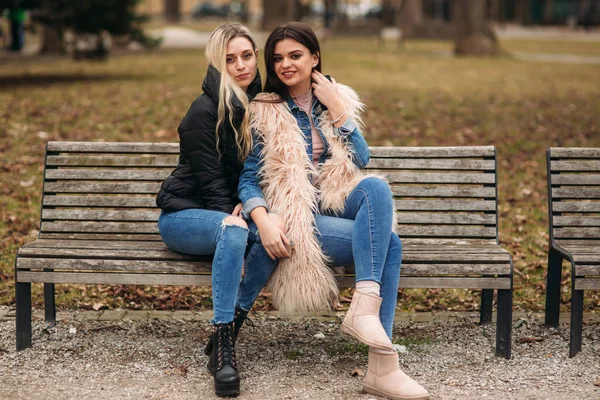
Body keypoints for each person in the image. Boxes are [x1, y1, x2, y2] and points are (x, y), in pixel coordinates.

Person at [237, 22, 430, 400]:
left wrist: (338, 108)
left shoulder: (336, 98)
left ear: (315, 58)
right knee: (389, 244)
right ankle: (383, 366)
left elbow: (361, 157)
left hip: (337, 202)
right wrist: (261, 215)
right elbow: (248, 178)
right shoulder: (265, 110)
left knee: (374, 185)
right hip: (299, 217)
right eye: (277, 58)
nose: (285, 65)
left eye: (295, 56)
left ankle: (364, 307)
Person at [155, 23, 280, 398]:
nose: (241, 65)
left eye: (246, 56)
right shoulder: (204, 110)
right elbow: (210, 183)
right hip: (183, 217)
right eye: (230, 59)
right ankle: (225, 348)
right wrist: (235, 218)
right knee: (238, 231)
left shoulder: (260, 104)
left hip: (229, 215)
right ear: (217, 63)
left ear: (255, 57)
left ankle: (232, 326)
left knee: (275, 233)